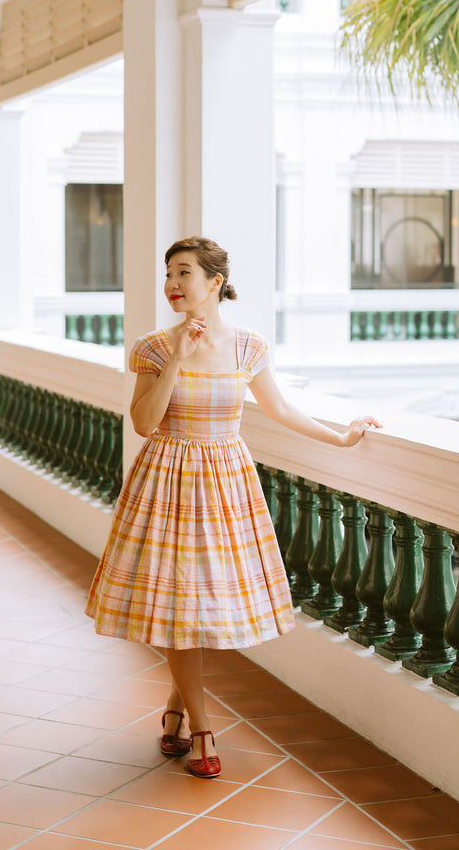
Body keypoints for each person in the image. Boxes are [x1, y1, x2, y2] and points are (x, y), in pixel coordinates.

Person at [85, 236, 381, 778]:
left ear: (215, 282)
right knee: (180, 605)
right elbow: (145, 423)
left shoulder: (249, 347)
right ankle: (202, 727)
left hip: (225, 486)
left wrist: (343, 438)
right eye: (168, 275)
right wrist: (178, 357)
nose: (172, 285)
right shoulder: (155, 347)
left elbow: (281, 408)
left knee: (199, 606)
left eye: (184, 273)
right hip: (168, 483)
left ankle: (175, 709)